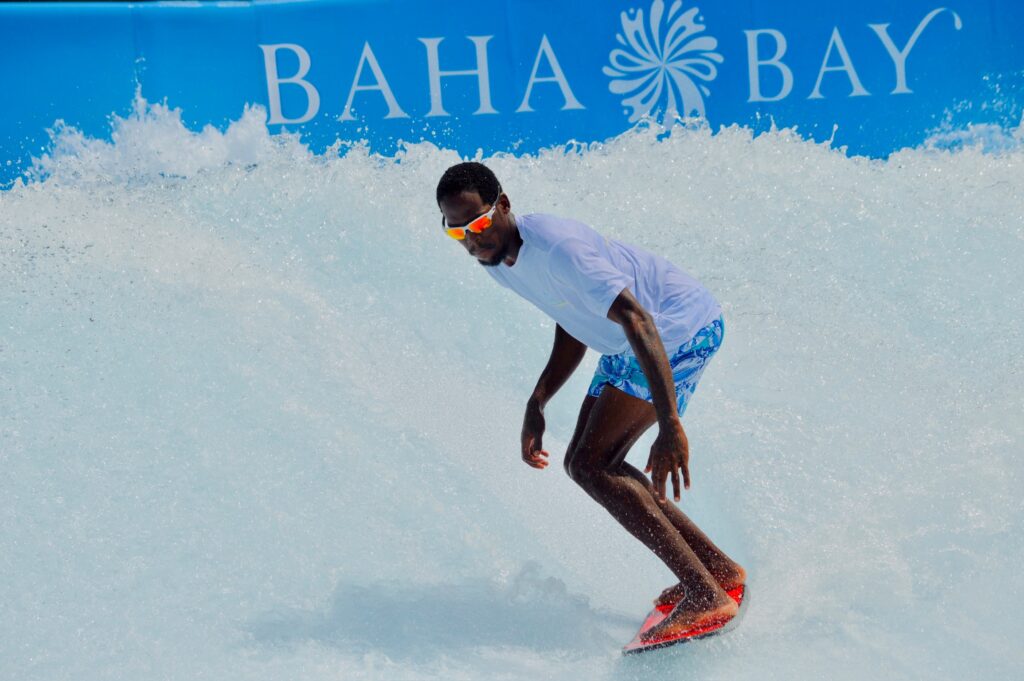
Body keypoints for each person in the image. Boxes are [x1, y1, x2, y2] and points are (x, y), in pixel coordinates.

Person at [435, 162, 745, 641]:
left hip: (676, 328)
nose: (471, 241)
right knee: (587, 464)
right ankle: (717, 571)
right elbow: (573, 315)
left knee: (593, 465)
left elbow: (638, 318)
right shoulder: (498, 260)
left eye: (476, 224)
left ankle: (706, 595)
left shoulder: (559, 249)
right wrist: (538, 401)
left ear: (503, 205)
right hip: (628, 342)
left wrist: (670, 425)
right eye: (456, 232)